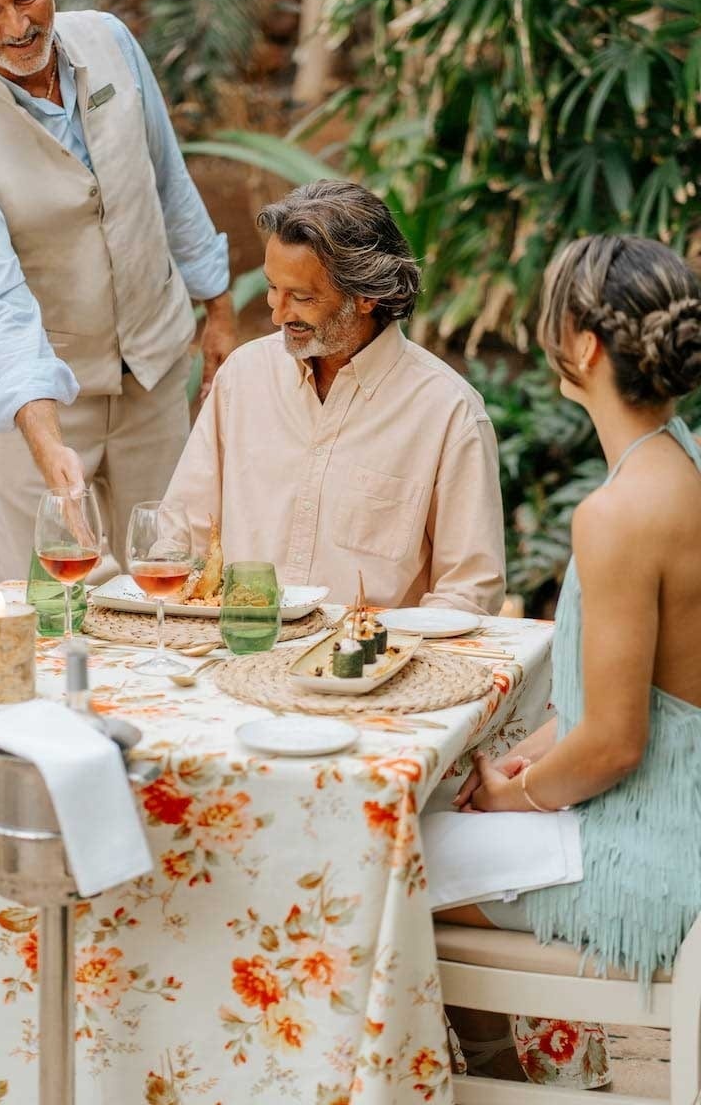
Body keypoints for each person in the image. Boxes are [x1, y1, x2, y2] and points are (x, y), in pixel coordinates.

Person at [427, 235, 701, 1086]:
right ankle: (499, 1078)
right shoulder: (685, 460)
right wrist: (537, 752)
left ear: (582, 344)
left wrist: (515, 794)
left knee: (369, 859)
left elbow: (616, 743)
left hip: (643, 857)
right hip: (678, 817)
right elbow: (650, 698)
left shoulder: (620, 513)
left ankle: (469, 1088)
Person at [0, 0, 236, 580]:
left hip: (153, 375)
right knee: (48, 613)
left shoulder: (111, 40)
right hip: (42, 407)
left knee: (174, 585)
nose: (18, 25)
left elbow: (167, 179)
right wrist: (46, 439)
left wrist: (219, 310)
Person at [163, 180, 505, 611]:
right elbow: (180, 536)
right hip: (234, 652)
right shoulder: (243, 378)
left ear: (367, 296)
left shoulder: (448, 413)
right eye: (273, 288)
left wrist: (377, 657)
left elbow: (470, 590)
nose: (277, 313)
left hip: (370, 666)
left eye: (302, 297)